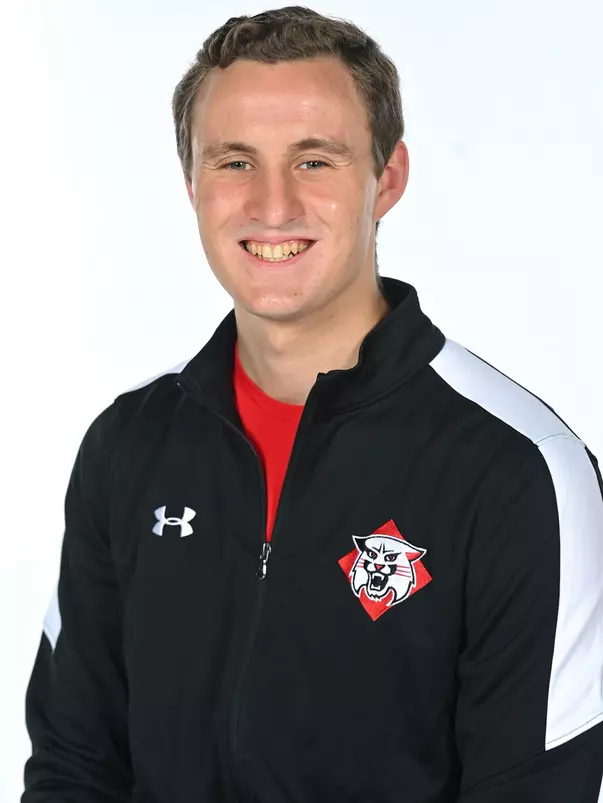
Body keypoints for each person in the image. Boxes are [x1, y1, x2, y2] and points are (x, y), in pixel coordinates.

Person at [22, 6, 603, 802]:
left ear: (386, 178)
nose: (271, 205)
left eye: (314, 162)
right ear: (191, 181)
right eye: (234, 162)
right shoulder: (129, 447)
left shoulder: (518, 470)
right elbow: (73, 765)